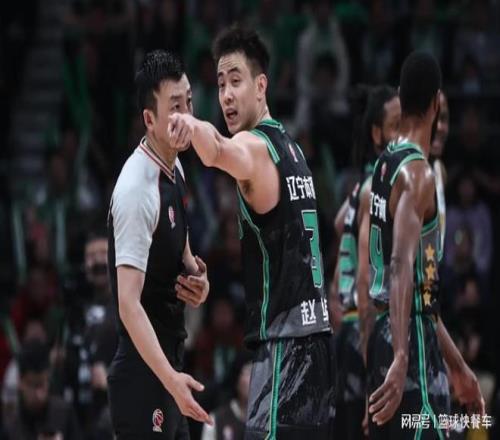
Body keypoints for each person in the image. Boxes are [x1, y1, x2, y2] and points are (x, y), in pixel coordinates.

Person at [167, 25, 335, 439]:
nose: (226, 94)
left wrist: (190, 124)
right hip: (317, 348)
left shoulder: (255, 148)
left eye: (236, 81)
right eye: (220, 83)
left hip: (284, 353)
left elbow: (219, 149)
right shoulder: (293, 150)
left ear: (261, 86)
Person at [366, 51, 484, 439]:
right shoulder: (419, 173)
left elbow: (419, 291)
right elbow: (401, 264)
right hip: (411, 345)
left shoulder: (385, 164)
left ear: (401, 98)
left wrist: (459, 368)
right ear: (435, 103)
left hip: (387, 334)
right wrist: (403, 355)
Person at [107, 50, 212, 439]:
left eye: (189, 102)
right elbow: (128, 303)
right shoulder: (136, 189)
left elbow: (185, 259)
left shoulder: (175, 166)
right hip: (143, 376)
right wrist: (169, 379)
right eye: (175, 107)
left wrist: (199, 282)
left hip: (168, 366)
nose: (186, 116)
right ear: (149, 119)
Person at [330, 84, 400, 439]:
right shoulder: (377, 189)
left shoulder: (367, 185)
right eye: (397, 126)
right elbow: (364, 279)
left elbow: (338, 221)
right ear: (377, 133)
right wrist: (373, 367)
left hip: (355, 329)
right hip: (364, 331)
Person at [4, 340, 81, 439]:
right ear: (20, 382)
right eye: (32, 385)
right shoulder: (9, 424)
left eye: (42, 385)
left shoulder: (64, 414)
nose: (38, 394)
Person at [201, 351, 253, 440]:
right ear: (236, 378)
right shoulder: (216, 420)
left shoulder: (268, 421)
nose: (254, 379)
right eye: (249, 372)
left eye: (258, 372)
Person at [429, 91, 449, 256]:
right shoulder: (404, 175)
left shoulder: (439, 170)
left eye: (444, 118)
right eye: (434, 118)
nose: (440, 127)